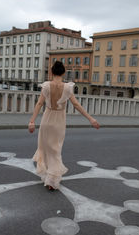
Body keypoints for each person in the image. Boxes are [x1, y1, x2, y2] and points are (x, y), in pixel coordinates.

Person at [28, 61, 100, 190]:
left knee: (45, 149)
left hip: (47, 119)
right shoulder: (67, 88)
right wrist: (91, 119)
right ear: (64, 72)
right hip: (59, 122)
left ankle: (48, 176)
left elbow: (39, 104)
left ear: (51, 72)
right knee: (55, 150)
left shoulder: (46, 86)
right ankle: (52, 180)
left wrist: (32, 121)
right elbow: (76, 105)